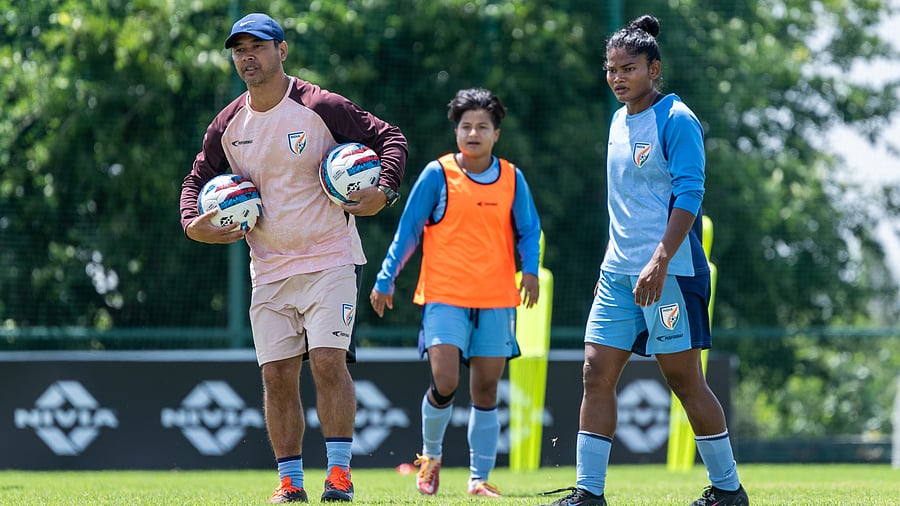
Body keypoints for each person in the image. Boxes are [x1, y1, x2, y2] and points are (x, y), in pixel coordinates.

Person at [179, 13, 407, 504]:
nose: (247, 57)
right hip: (270, 268)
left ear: (281, 51)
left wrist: (383, 191)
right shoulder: (227, 124)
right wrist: (192, 223)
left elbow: (391, 138)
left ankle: (340, 477)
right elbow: (195, 181)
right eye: (238, 49)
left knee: (327, 362)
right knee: (277, 375)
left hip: (331, 258)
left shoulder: (320, 105)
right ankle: (290, 483)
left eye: (256, 46)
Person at [539, 15, 749, 506]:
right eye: (611, 69)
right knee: (595, 372)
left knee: (683, 379)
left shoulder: (677, 120)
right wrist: (612, 266)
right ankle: (589, 494)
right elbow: (627, 207)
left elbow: (690, 194)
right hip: (617, 274)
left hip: (670, 272)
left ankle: (728, 490)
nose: (617, 78)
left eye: (628, 68)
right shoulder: (616, 120)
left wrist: (659, 259)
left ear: (655, 69)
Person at [369, 88, 541, 498]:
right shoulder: (438, 174)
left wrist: (530, 271)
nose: (474, 133)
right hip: (444, 295)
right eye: (466, 126)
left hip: (498, 298)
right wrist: (385, 277)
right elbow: (409, 230)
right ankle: (430, 458)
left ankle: (479, 479)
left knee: (486, 389)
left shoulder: (513, 178)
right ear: (456, 131)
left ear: (497, 133)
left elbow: (530, 230)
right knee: (445, 381)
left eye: (483, 126)